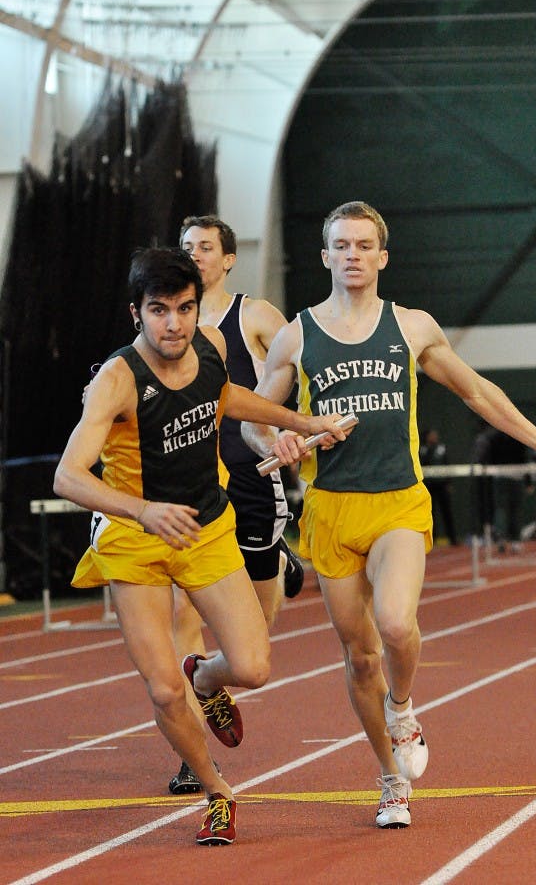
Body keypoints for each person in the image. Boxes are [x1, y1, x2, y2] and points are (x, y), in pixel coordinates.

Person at [241, 201, 536, 830]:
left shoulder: (412, 327)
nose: (352, 255)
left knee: (396, 625)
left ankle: (403, 707)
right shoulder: (297, 334)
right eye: (340, 245)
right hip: (330, 511)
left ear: (382, 256)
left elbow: (478, 392)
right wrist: (279, 442)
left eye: (363, 245)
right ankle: (389, 778)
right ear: (325, 256)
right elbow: (253, 423)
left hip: (399, 500)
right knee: (360, 656)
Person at [53, 247, 349, 846]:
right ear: (136, 312)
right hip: (135, 538)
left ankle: (206, 679)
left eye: (184, 309)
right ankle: (217, 791)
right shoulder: (116, 380)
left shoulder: (210, 344)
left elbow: (229, 398)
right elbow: (67, 476)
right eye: (159, 311)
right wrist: (142, 509)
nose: (174, 324)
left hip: (207, 526)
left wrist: (303, 423)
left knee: (253, 667)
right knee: (162, 688)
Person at [166, 214, 303, 796]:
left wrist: (297, 427)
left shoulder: (255, 315)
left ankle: (278, 561)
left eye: (205, 248)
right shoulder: (167, 323)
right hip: (190, 485)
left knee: (254, 633)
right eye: (185, 247)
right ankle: (191, 743)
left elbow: (305, 360)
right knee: (183, 613)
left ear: (227, 260)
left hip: (248, 474)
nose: (194, 255)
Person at [418, 427, 457, 545]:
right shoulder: (422, 450)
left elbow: (447, 464)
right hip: (429, 485)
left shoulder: (442, 448)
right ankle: (432, 538)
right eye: (432, 435)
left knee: (447, 512)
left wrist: (448, 483)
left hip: (442, 485)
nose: (434, 437)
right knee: (431, 513)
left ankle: (453, 538)